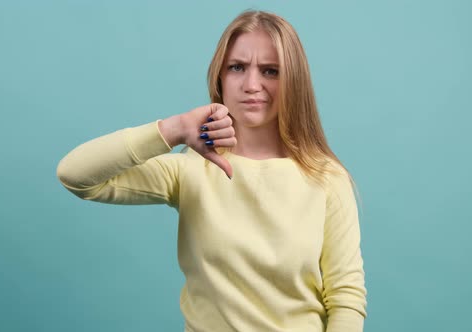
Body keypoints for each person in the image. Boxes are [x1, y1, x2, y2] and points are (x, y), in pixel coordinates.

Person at [57, 10, 367, 332]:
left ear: (294, 81)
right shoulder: (191, 171)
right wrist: (173, 129)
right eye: (237, 67)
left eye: (271, 71)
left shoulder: (326, 177)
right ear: (220, 76)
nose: (251, 84)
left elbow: (346, 299)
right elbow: (75, 174)